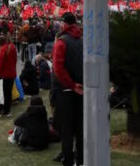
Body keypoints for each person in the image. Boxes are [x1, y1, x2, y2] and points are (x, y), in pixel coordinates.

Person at [52, 12, 84, 166]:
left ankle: (68, 160)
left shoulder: (61, 42)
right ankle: (81, 159)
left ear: (64, 24)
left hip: (65, 91)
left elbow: (58, 68)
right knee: (80, 127)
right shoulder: (83, 40)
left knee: (66, 130)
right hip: (81, 89)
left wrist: (71, 84)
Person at [0, 34, 18, 116]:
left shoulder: (2, 50)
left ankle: (4, 110)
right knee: (8, 93)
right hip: (12, 73)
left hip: (4, 74)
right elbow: (15, 60)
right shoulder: (12, 47)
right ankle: (7, 110)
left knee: (3, 93)